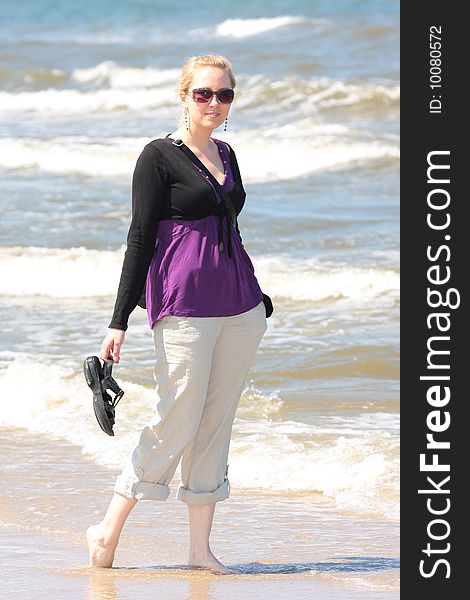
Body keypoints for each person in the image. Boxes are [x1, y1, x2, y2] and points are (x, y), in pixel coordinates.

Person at [86, 54, 269, 575]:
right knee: (179, 417)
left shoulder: (227, 153)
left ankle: (198, 549)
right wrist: (118, 320)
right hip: (184, 305)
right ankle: (108, 528)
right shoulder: (157, 156)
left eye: (225, 94)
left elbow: (228, 229)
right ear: (184, 95)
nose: (214, 103)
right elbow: (140, 237)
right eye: (204, 93)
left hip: (240, 306)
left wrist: (258, 294)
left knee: (216, 422)